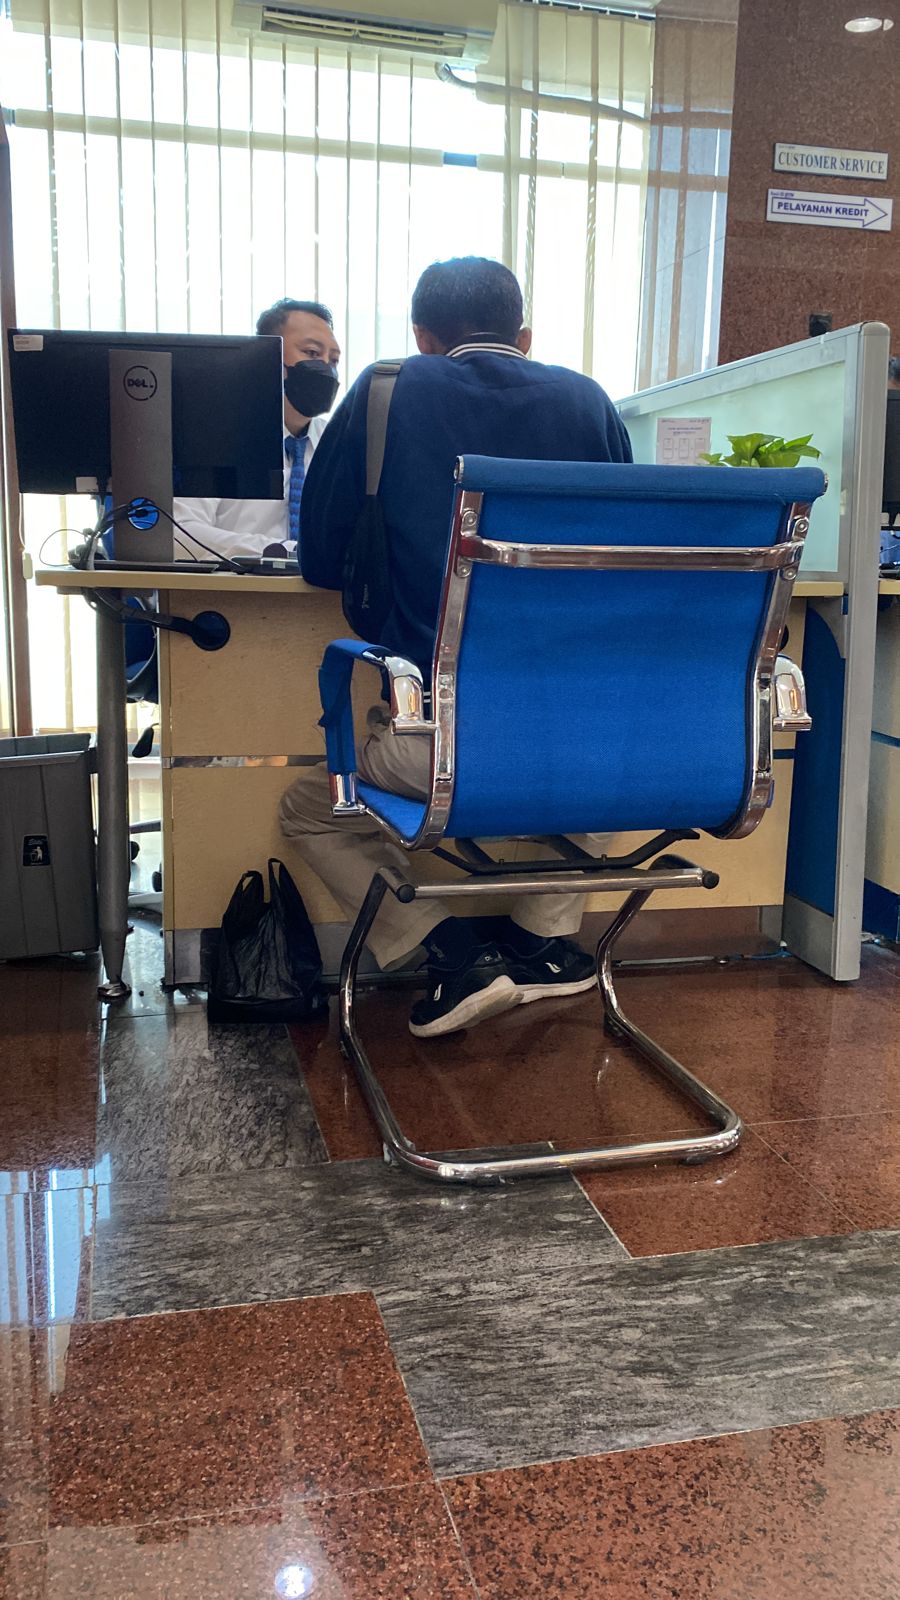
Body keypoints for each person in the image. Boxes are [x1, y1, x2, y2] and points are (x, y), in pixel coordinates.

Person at [280, 256, 633, 1038]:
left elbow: (321, 561)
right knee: (602, 757)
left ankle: (450, 951)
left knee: (307, 808)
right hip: (591, 749)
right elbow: (624, 563)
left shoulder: (385, 389)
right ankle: (541, 941)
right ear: (524, 336)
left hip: (439, 748)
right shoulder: (591, 403)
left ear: (422, 338)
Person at [173, 299, 342, 560]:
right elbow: (179, 536)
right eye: (311, 353)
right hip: (230, 584)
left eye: (333, 360)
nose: (326, 369)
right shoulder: (215, 436)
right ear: (267, 357)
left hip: (319, 587)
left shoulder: (336, 443)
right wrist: (281, 552)